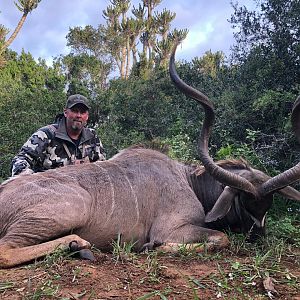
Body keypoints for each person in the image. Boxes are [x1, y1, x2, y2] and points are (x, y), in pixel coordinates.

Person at [11, 94, 106, 176]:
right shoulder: (46, 134)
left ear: (87, 116)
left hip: (83, 191)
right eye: (74, 111)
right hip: (50, 191)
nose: (79, 115)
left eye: (82, 112)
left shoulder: (92, 136)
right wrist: (28, 177)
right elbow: (20, 159)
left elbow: (102, 167)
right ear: (65, 112)